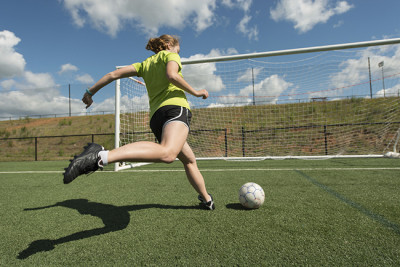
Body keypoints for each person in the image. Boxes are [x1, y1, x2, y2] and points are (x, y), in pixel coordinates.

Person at [63, 34, 214, 210]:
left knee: (189, 160)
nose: (178, 52)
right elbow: (172, 75)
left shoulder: (145, 64)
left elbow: (113, 74)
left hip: (157, 118)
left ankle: (207, 199)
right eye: (177, 49)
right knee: (168, 154)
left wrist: (90, 92)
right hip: (175, 109)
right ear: (168, 45)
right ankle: (100, 156)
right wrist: (195, 92)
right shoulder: (171, 55)